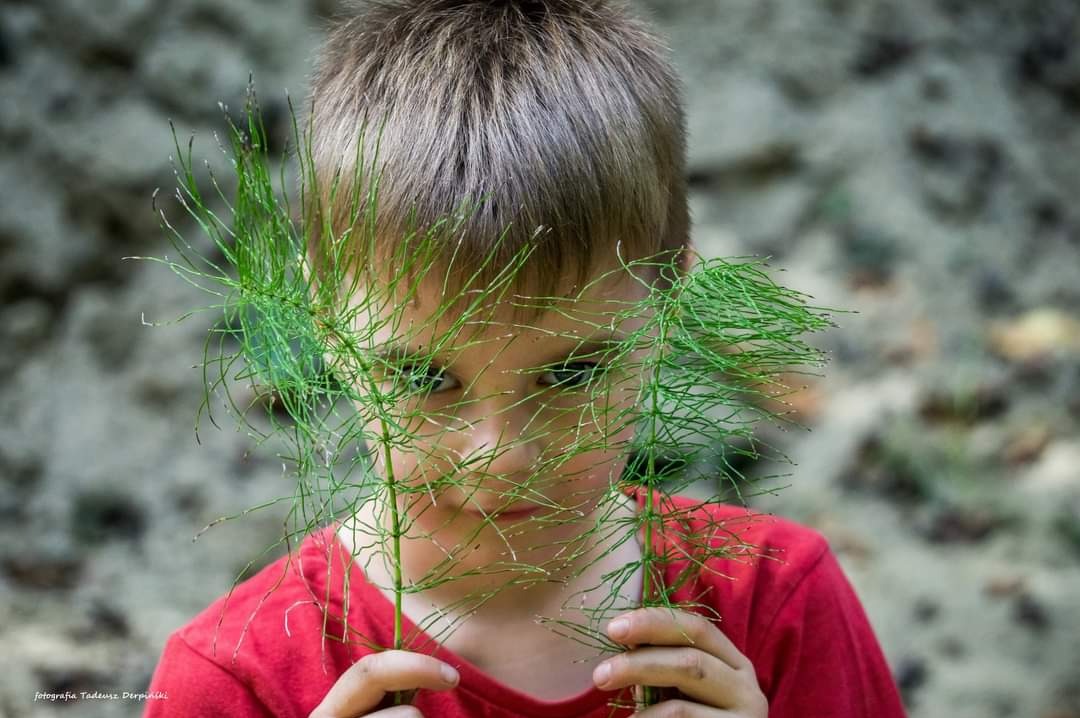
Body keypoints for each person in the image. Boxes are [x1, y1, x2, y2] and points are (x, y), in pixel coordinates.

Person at [145, 1, 909, 716]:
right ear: (325, 316)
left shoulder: (778, 605)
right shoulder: (235, 679)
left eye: (572, 373)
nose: (500, 455)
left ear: (669, 300)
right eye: (423, 376)